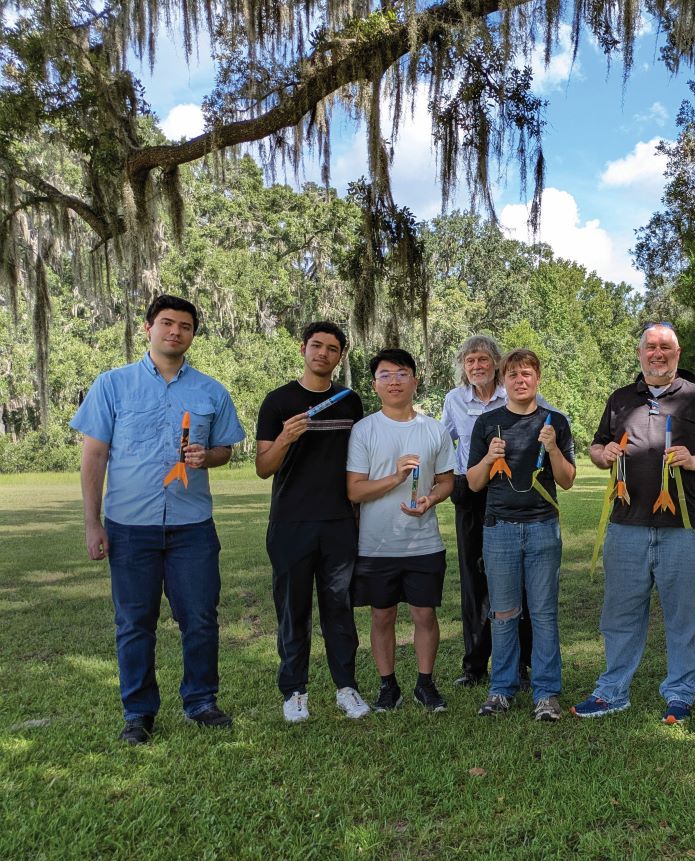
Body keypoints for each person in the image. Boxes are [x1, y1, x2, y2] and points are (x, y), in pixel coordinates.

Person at [71, 294, 245, 745]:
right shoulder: (113, 385)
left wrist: (207, 456)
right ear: (148, 327)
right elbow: (94, 457)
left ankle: (201, 701)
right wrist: (93, 524)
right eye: (167, 323)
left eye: (184, 326)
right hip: (130, 527)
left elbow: (227, 448)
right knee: (134, 623)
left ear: (192, 335)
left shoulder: (210, 390)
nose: (175, 332)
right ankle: (138, 712)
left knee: (201, 618)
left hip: (192, 528)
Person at [573, 323, 695, 724]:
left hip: (681, 529)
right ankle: (612, 692)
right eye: (650, 347)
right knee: (619, 615)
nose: (657, 354)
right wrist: (603, 453)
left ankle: (679, 695)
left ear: (677, 354)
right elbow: (595, 448)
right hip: (625, 526)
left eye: (665, 347)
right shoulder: (620, 399)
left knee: (682, 617)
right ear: (639, 354)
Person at [255, 321, 369, 723]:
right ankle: (295, 692)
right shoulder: (278, 402)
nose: (323, 353)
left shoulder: (349, 401)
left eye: (332, 348)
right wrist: (285, 438)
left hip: (339, 522)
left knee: (339, 609)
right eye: (316, 346)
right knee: (293, 610)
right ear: (303, 348)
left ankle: (346, 688)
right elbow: (263, 468)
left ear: (340, 357)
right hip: (290, 523)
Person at [466, 349, 576, 720]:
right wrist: (487, 457)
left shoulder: (554, 422)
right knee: (504, 613)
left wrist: (553, 447)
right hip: (499, 531)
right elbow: (474, 483)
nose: (519, 380)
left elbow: (567, 479)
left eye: (526, 373)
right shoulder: (488, 424)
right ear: (503, 380)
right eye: (512, 374)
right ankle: (501, 689)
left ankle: (546, 693)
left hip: (544, 528)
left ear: (537, 377)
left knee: (543, 613)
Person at [346, 348, 455, 714]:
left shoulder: (433, 429)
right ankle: (387, 686)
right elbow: (355, 490)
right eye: (386, 374)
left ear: (415, 380)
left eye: (402, 373)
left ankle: (425, 684)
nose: (394, 380)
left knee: (425, 615)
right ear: (375, 383)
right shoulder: (364, 430)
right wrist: (396, 478)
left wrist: (430, 500)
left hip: (423, 541)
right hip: (376, 545)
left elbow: (446, 481)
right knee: (382, 615)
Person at [440, 335, 532, 688]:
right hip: (469, 489)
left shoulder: (513, 392)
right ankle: (475, 666)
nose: (476, 366)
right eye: (469, 361)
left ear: (495, 363)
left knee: (515, 580)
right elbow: (442, 441)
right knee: (473, 582)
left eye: (482, 359)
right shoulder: (454, 400)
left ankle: (521, 666)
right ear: (464, 366)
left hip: (507, 490)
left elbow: (550, 418)